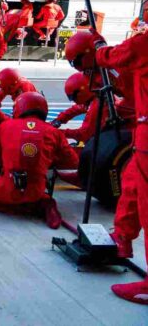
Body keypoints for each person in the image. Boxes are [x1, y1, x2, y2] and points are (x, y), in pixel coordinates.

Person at [0, 92, 78, 229]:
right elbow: (73, 161)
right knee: (34, 193)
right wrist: (48, 158)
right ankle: (42, 203)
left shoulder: (5, 126)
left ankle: (23, 208)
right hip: (36, 191)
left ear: (19, 108)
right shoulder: (54, 132)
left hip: (7, 188)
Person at [92, 29, 148, 304]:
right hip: (142, 135)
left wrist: (99, 46)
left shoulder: (143, 42)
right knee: (131, 183)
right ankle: (122, 238)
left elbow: (110, 57)